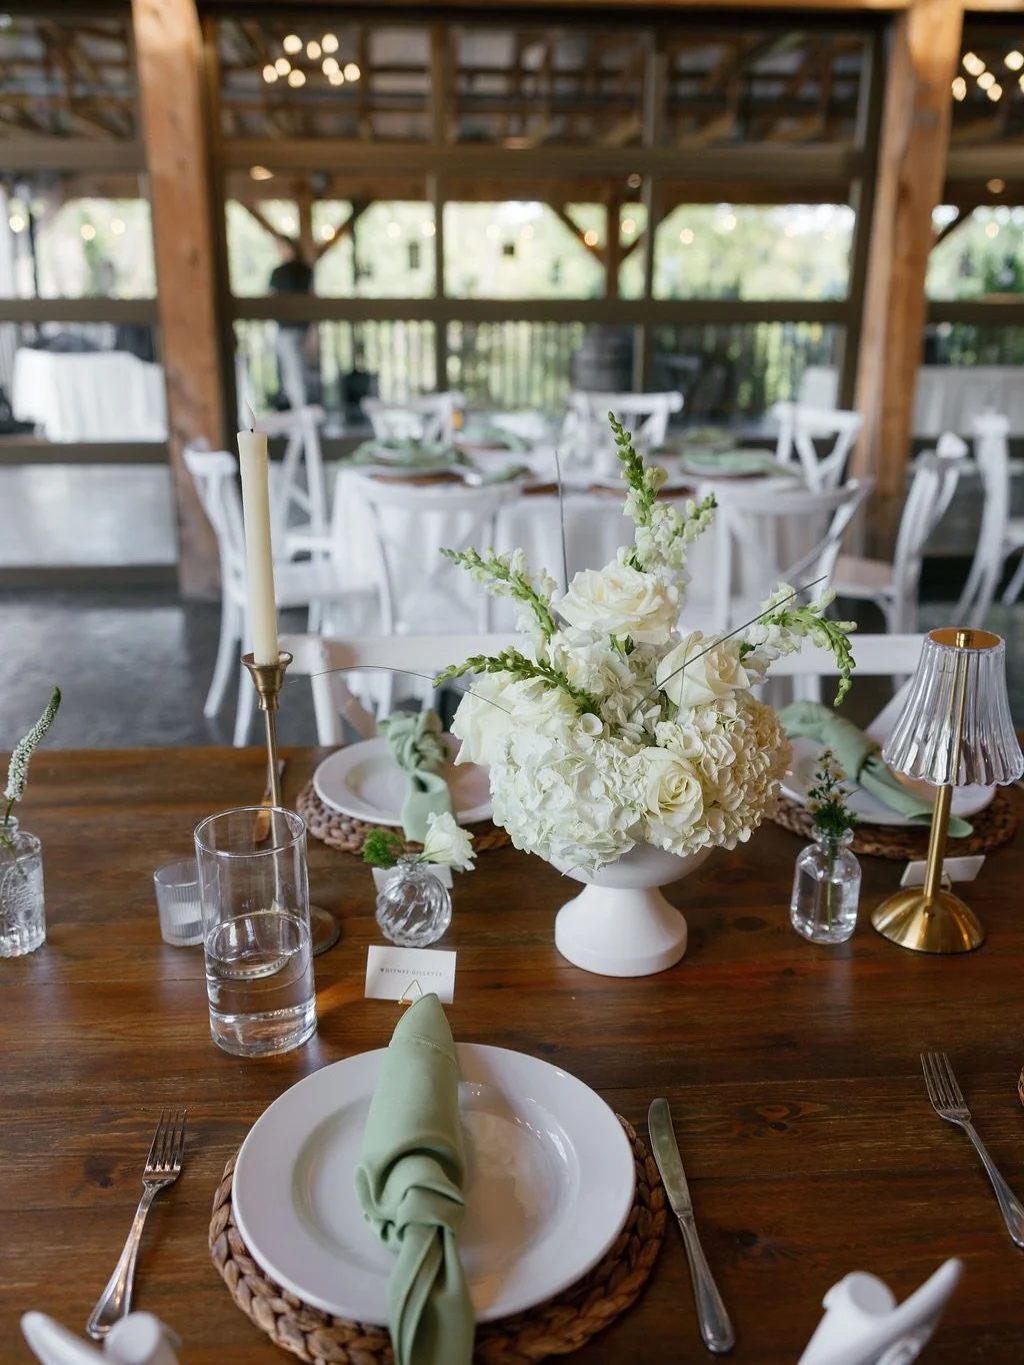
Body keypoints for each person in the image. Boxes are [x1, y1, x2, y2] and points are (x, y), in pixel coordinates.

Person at [269, 237, 315, 410]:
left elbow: (270, 298)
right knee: (297, 371)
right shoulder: (306, 270)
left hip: (288, 329)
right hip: (302, 329)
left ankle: (300, 413)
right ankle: (300, 412)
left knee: (293, 373)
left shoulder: (279, 272)